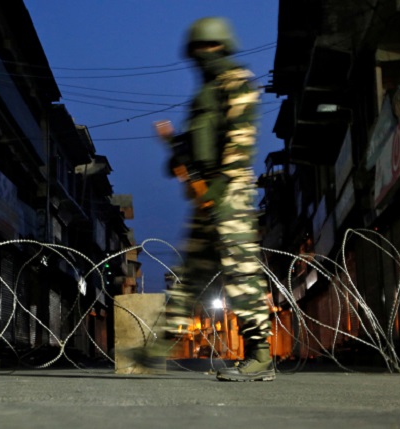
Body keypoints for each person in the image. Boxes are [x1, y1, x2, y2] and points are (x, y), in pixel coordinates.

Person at [151, 16, 274, 382]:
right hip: (207, 195)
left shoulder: (237, 84)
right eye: (197, 49)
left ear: (220, 47)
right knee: (190, 273)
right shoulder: (204, 96)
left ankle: (261, 356)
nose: (201, 55)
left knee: (240, 270)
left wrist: (218, 193)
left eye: (207, 47)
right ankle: (160, 344)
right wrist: (175, 146)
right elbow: (192, 150)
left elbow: (239, 140)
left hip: (229, 192)